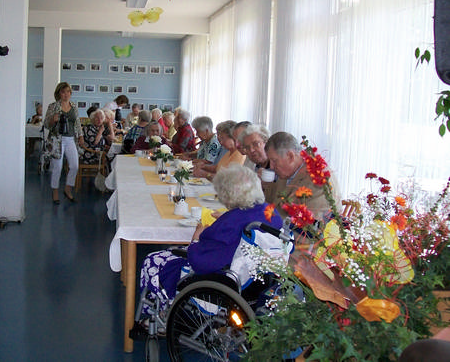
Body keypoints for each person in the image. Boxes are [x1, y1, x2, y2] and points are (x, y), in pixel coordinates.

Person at [138, 164, 283, 315]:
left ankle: (157, 315)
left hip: (221, 277)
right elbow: (239, 228)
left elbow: (201, 261)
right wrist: (226, 218)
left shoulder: (230, 221)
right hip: (256, 280)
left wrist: (196, 238)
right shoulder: (270, 213)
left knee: (152, 260)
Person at [264, 131, 341, 224]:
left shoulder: (319, 180)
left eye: (274, 161)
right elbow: (272, 204)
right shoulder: (286, 172)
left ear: (290, 156)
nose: (271, 166)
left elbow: (310, 228)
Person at [44, 82, 85, 204]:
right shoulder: (53, 106)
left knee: (74, 166)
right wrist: (53, 119)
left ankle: (68, 189)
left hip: (71, 139)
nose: (66, 94)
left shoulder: (74, 106)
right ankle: (55, 192)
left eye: (68, 91)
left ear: (70, 93)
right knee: (58, 167)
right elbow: (46, 125)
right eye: (63, 92)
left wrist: (81, 136)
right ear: (58, 94)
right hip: (57, 140)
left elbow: (77, 123)